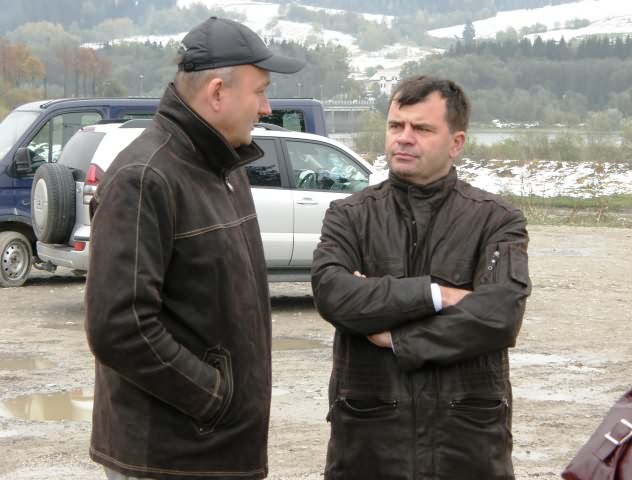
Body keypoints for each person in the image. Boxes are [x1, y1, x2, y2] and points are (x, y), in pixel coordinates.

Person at [85, 17, 303, 480]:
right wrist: (214, 397)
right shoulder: (145, 177)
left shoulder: (226, 169)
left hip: (215, 450)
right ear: (218, 93)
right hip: (169, 459)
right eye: (260, 91)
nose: (267, 108)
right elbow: (120, 327)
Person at [311, 75, 532, 479]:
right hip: (369, 448)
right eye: (396, 125)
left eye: (422, 128)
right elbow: (334, 295)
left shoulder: (496, 220)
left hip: (467, 449)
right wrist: (438, 295)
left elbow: (499, 315)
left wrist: (398, 339)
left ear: (456, 142)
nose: (404, 138)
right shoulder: (350, 216)